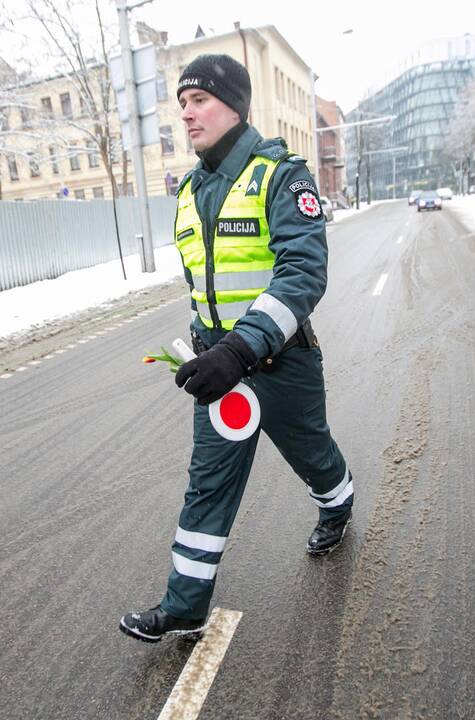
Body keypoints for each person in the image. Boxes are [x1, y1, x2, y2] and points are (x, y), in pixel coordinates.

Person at [119, 54, 354, 643]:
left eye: (199, 101)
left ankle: (338, 502)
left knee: (311, 452)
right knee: (208, 483)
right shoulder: (190, 191)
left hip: (280, 360)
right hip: (223, 370)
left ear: (234, 105)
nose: (187, 114)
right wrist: (203, 348)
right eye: (182, 104)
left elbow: (303, 272)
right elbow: (205, 285)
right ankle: (184, 605)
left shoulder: (280, 175)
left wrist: (241, 346)